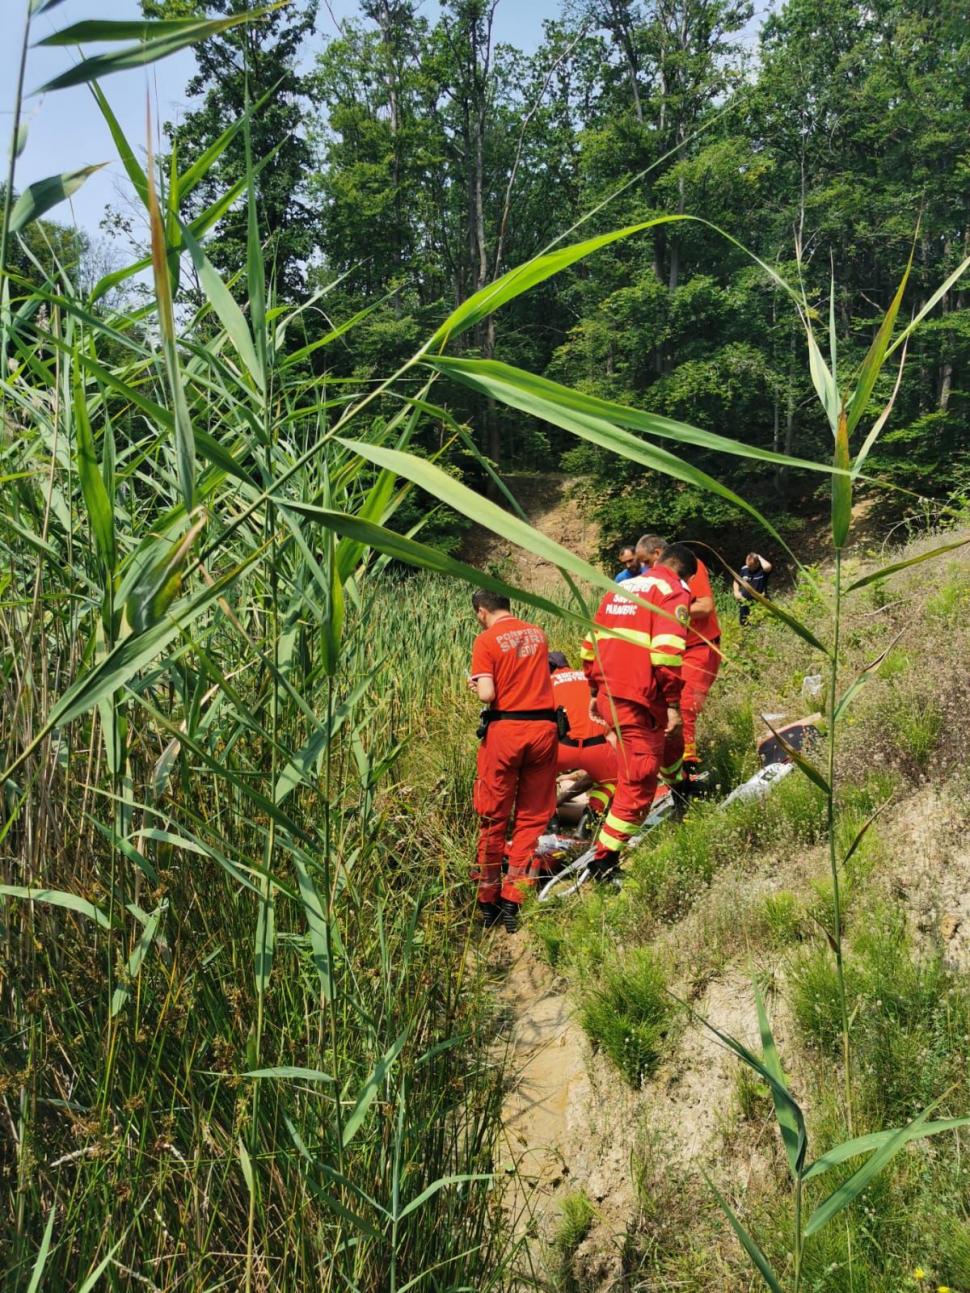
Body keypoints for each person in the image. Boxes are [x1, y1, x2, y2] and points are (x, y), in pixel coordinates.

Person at [580, 543, 696, 877]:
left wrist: (592, 689)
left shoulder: (622, 587)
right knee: (639, 781)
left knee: (670, 745)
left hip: (609, 693)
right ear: (683, 571)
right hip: (638, 699)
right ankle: (605, 859)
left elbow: (591, 645)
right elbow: (667, 655)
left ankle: (680, 787)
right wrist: (673, 703)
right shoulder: (672, 591)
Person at [468, 590, 558, 932]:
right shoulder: (538, 633)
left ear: (481, 611)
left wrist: (475, 686)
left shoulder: (486, 640)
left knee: (493, 818)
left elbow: (489, 694)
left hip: (507, 731)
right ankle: (514, 900)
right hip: (544, 731)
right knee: (531, 817)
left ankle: (488, 900)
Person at [637, 533, 721, 779]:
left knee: (685, 704)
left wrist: (670, 611)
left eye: (645, 561)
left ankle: (690, 764)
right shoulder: (653, 580)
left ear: (657, 555)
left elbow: (705, 606)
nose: (644, 568)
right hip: (676, 650)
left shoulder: (690, 567)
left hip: (699, 646)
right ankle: (671, 765)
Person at [548, 651, 618, 820]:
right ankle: (591, 813)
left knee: (540, 778)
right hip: (597, 748)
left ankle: (550, 820)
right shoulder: (590, 680)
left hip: (565, 747)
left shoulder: (547, 683)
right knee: (613, 780)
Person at [733, 552, 773, 625]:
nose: (749, 568)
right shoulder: (744, 569)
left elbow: (768, 567)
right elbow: (736, 581)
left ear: (757, 563)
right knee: (744, 624)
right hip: (745, 601)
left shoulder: (763, 570)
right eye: (748, 565)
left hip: (760, 602)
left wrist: (759, 557)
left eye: (751, 566)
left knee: (760, 624)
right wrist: (736, 592)